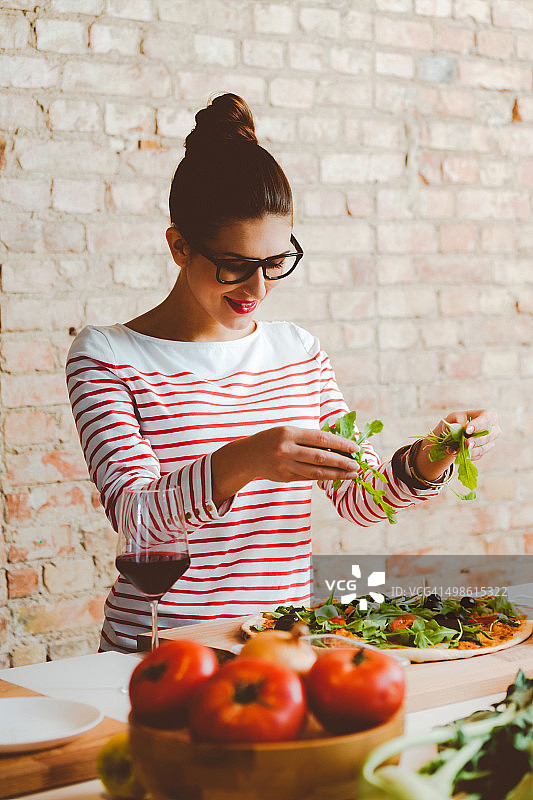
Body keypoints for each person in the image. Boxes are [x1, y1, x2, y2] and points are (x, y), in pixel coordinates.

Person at [66, 93, 500, 654]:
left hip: (278, 650)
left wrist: (432, 456)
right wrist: (246, 459)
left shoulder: (297, 350)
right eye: (235, 266)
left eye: (274, 263)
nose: (257, 289)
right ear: (178, 246)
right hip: (159, 652)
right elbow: (140, 521)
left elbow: (359, 496)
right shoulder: (108, 356)